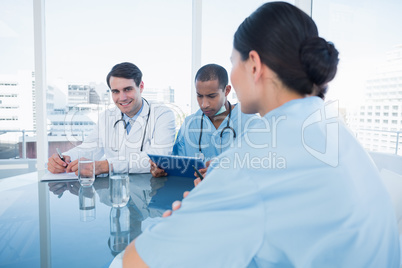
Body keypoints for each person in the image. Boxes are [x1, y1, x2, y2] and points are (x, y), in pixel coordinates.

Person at [124, 2, 400, 267]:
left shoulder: (256, 158)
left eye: (233, 62)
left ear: (253, 65)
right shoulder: (336, 132)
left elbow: (138, 262)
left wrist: (184, 223)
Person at [47, 62, 176, 175]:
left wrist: (106, 166)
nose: (122, 97)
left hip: (149, 191)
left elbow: (160, 157)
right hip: (114, 192)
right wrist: (65, 159)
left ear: (141, 87)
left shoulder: (162, 114)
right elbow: (90, 148)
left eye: (128, 89)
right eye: (116, 91)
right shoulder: (106, 117)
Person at [150, 63, 258, 178]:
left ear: (226, 91)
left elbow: (263, 172)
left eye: (211, 96)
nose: (204, 104)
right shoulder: (189, 125)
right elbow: (176, 166)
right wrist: (161, 170)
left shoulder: (252, 124)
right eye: (199, 96)